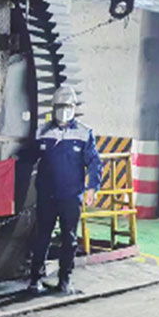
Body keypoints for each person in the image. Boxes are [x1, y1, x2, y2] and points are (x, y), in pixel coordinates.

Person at [27, 84, 101, 294]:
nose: (64, 110)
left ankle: (65, 280)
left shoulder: (84, 133)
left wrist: (92, 188)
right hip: (47, 196)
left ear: (74, 108)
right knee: (42, 237)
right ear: (53, 107)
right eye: (60, 106)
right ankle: (35, 280)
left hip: (70, 197)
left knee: (69, 239)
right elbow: (29, 158)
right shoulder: (42, 132)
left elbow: (94, 162)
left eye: (68, 106)